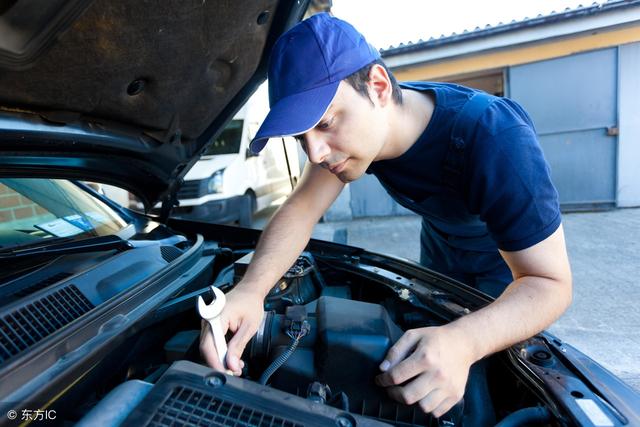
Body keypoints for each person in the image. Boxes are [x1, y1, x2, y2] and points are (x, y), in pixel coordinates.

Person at [200, 13, 572, 418]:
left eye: (324, 123)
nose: (316, 153)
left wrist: (466, 341)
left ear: (377, 87)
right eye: (300, 138)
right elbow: (300, 209)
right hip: (441, 260)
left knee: (496, 391)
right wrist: (252, 291)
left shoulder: (496, 138)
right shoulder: (359, 136)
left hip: (509, 277)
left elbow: (549, 283)